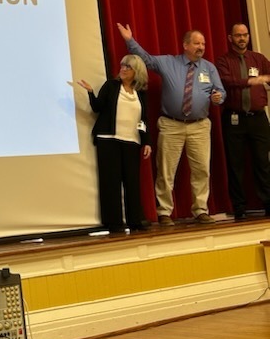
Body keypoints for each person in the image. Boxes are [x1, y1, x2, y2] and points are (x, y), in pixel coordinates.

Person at [117, 23, 225, 225]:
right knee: (166, 170)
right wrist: (129, 40)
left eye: (203, 43)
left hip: (200, 125)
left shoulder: (209, 68)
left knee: (202, 169)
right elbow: (146, 59)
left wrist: (219, 97)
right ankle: (164, 211)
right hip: (171, 124)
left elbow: (220, 92)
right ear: (185, 45)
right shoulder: (168, 62)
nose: (201, 47)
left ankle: (201, 209)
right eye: (196, 43)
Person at [78, 55, 152, 232]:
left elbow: (144, 119)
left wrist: (146, 141)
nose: (123, 69)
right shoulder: (111, 86)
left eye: (128, 66)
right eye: (122, 65)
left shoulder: (140, 93)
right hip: (109, 140)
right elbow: (97, 107)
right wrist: (89, 92)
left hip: (132, 141)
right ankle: (114, 223)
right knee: (110, 182)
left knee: (132, 182)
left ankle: (135, 220)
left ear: (137, 72)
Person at [214, 23, 270, 220]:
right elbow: (226, 82)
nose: (242, 38)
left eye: (245, 35)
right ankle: (239, 207)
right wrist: (249, 81)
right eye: (238, 35)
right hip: (234, 118)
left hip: (258, 118)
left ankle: (268, 203)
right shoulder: (223, 61)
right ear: (230, 38)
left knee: (263, 162)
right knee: (235, 164)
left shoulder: (259, 59)